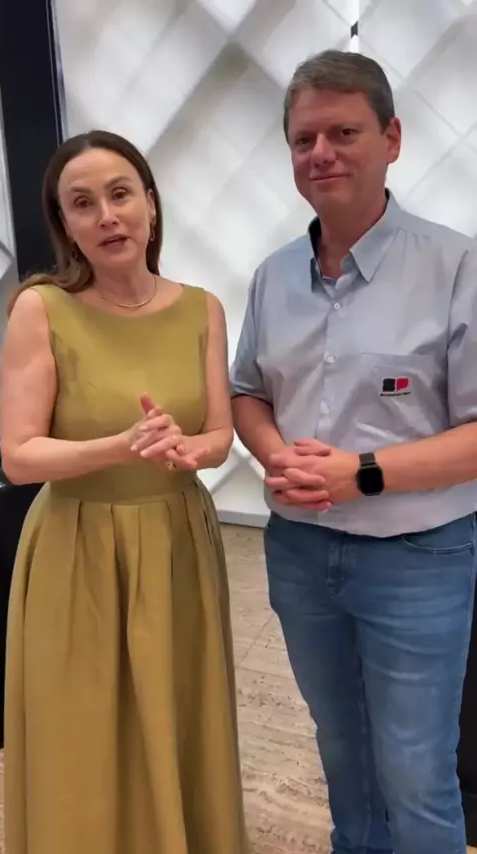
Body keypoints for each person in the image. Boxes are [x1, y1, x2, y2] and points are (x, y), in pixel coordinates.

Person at [231, 49, 477, 854]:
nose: (321, 154)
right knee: (342, 753)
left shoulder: (457, 267)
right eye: (304, 139)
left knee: (415, 771)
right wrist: (275, 454)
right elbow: (246, 391)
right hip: (300, 553)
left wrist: (360, 474)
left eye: (343, 133)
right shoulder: (273, 277)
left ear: (392, 139)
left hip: (418, 558)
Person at [0, 129, 248, 854]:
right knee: (84, 725)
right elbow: (20, 455)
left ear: (151, 204)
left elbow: (220, 434)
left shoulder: (202, 308)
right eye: (82, 204)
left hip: (176, 539)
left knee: (179, 710)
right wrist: (118, 445)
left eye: (119, 194)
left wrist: (188, 449)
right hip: (78, 547)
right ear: (66, 225)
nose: (107, 215)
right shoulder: (41, 309)